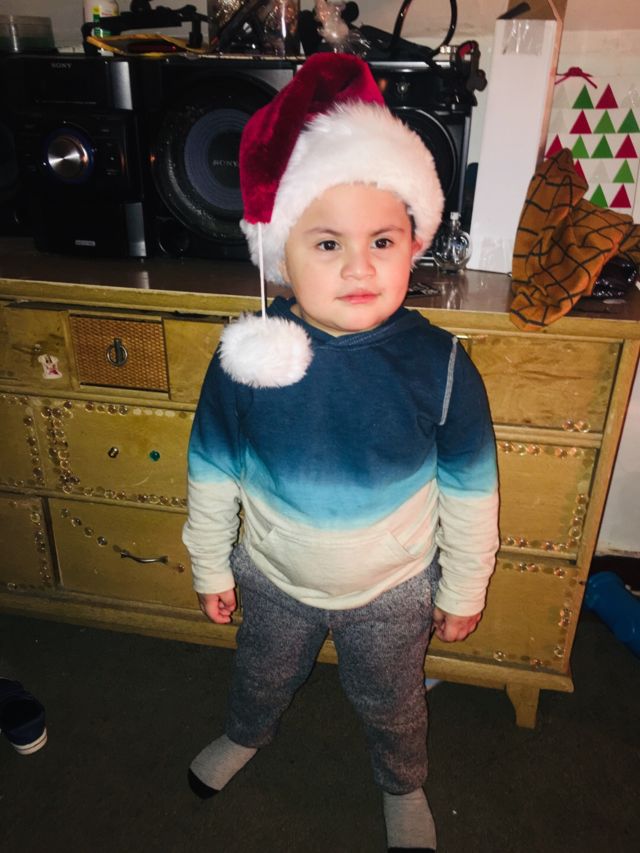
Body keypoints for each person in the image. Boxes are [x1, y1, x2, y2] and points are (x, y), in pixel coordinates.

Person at [182, 52, 499, 853]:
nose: (361, 266)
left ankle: (403, 781)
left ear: (413, 243)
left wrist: (463, 587)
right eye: (327, 243)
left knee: (392, 701)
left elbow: (471, 491)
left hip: (391, 589)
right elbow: (211, 471)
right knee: (260, 672)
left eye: (383, 239)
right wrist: (211, 566)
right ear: (277, 253)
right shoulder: (248, 357)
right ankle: (247, 732)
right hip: (272, 575)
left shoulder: (442, 363)